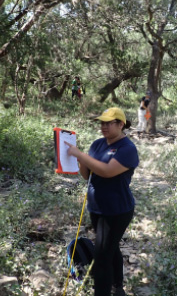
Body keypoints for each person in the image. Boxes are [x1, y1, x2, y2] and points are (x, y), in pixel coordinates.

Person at [65, 107, 139, 296]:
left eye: (108, 123)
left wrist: (81, 155)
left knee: (102, 257)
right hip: (96, 208)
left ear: (121, 124)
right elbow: (86, 175)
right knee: (110, 247)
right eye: (102, 122)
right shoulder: (97, 144)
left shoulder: (127, 149)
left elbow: (107, 171)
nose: (103, 126)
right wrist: (82, 160)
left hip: (116, 210)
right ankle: (118, 286)